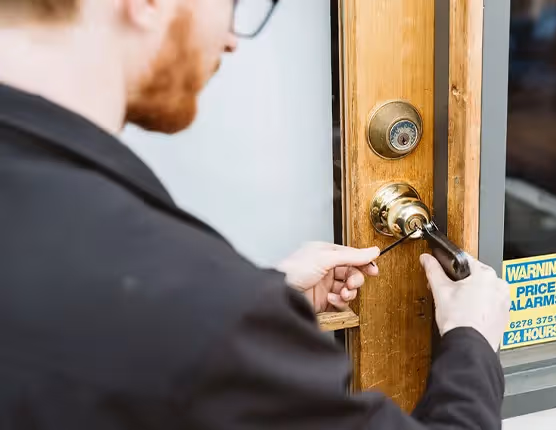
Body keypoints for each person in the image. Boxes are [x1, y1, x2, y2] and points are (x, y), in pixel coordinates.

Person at [0, 0, 511, 428]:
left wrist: (266, 303)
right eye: (232, 5)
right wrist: (472, 340)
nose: (230, 40)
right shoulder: (197, 309)